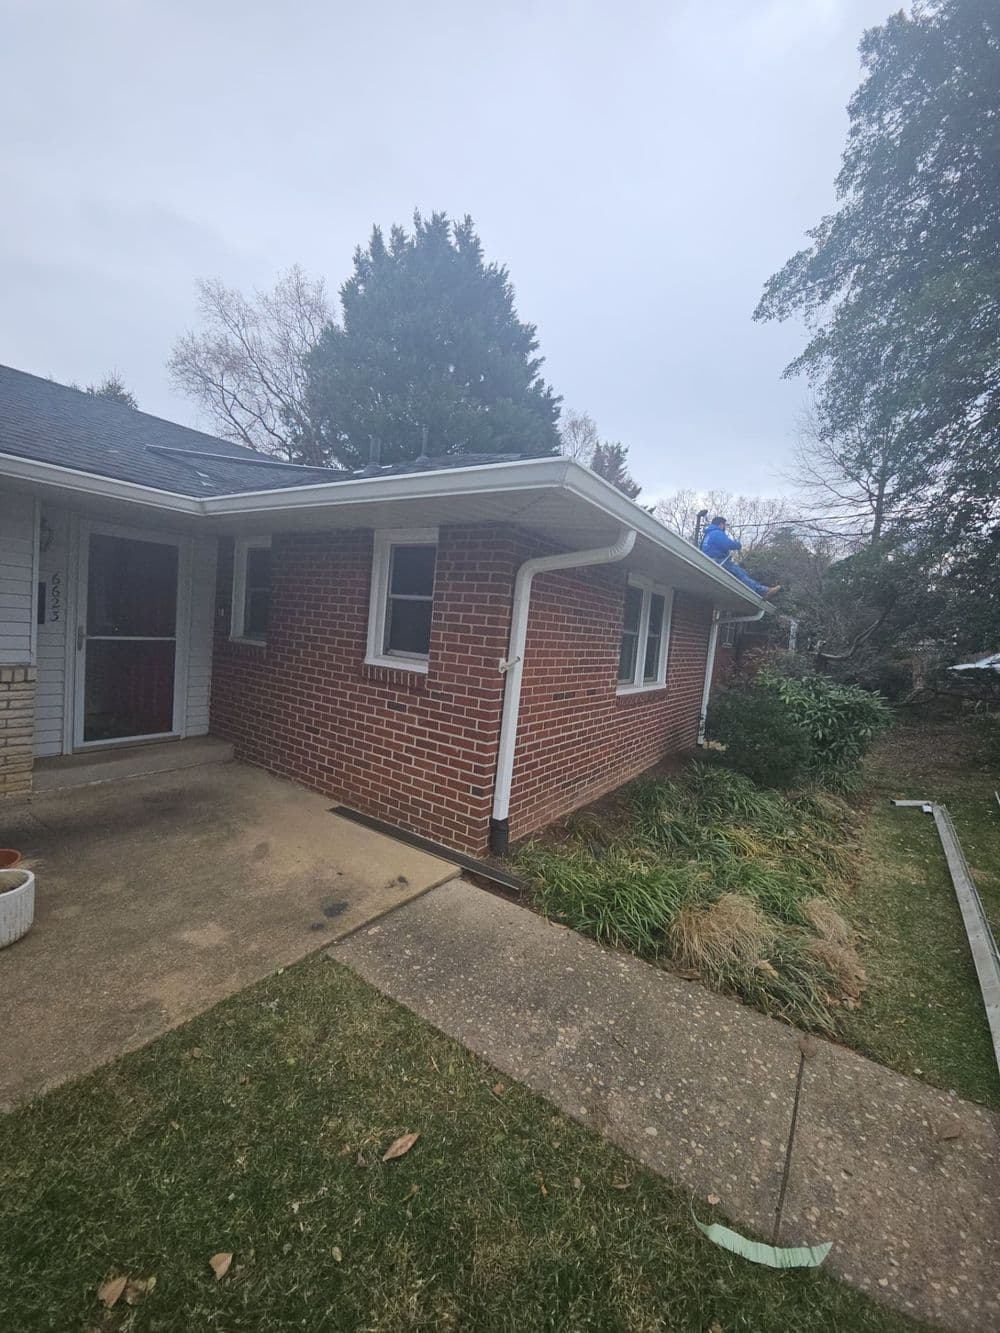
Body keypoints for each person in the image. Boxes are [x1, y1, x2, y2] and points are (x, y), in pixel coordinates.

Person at [700, 517, 781, 599]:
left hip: (710, 562)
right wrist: (737, 544)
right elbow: (728, 544)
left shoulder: (707, 535)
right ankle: (763, 591)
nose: (725, 527)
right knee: (740, 574)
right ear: (721, 524)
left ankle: (760, 590)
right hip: (719, 561)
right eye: (725, 525)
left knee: (740, 572)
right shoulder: (717, 533)